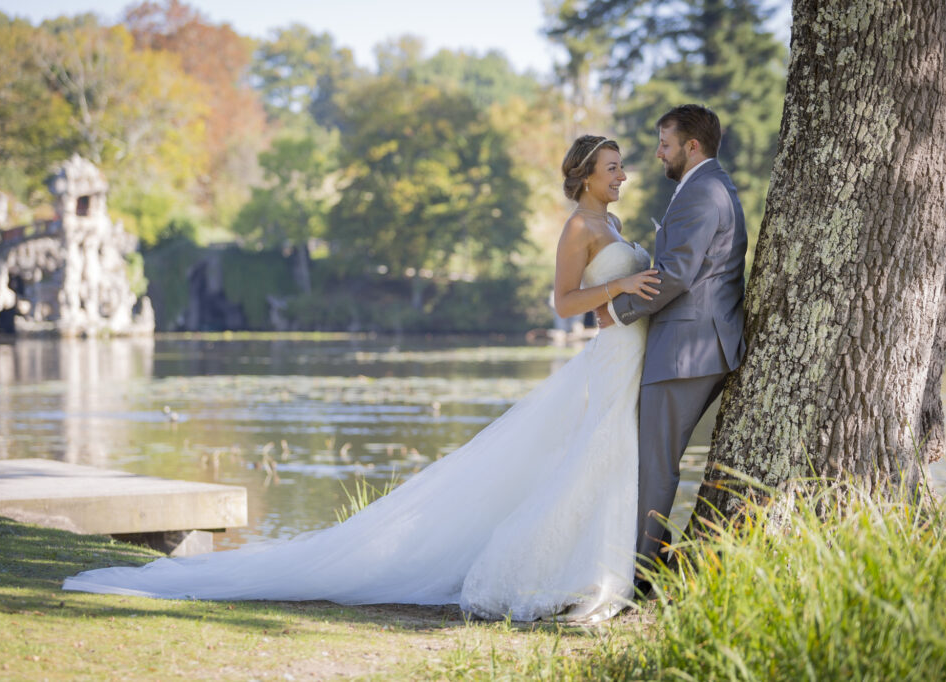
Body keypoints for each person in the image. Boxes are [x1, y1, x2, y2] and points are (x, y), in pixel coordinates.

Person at [63, 135, 660, 623]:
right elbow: (562, 303)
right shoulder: (579, 228)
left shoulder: (614, 223)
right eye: (613, 168)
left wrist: (632, 289)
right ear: (585, 176)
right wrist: (619, 287)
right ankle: (570, 574)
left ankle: (595, 568)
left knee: (603, 458)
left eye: (622, 168)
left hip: (625, 355)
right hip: (608, 357)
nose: (623, 176)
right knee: (598, 455)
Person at [603, 105, 747, 587]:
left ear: (692, 146)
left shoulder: (702, 192)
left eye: (665, 143)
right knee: (656, 461)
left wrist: (619, 312)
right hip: (700, 342)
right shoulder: (711, 187)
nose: (658, 153)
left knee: (656, 464)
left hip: (687, 347)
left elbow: (679, 273)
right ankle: (643, 567)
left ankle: (640, 577)